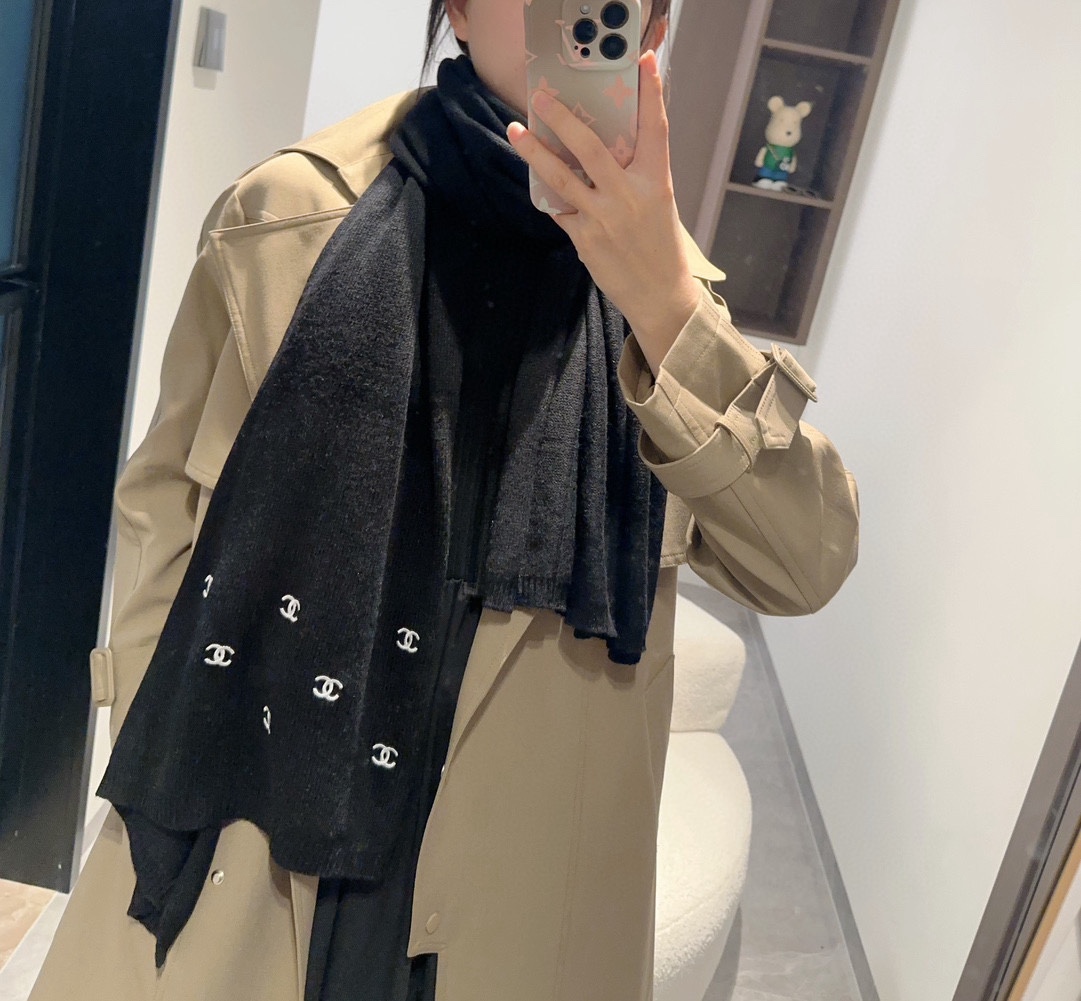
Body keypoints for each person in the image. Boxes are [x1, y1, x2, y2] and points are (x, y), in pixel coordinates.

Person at [29, 2, 860, 1001]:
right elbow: (165, 501)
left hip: (519, 898)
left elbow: (805, 563)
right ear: (455, 8)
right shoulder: (283, 219)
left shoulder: (675, 308)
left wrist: (666, 307)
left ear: (649, 32)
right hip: (249, 840)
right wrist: (155, 731)